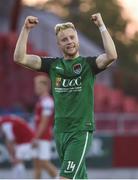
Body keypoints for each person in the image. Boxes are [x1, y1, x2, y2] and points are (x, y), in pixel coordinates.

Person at [14, 13, 117, 179]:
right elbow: (19, 58)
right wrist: (26, 29)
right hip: (60, 132)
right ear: (58, 44)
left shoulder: (88, 65)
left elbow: (111, 56)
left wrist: (101, 26)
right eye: (64, 39)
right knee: (78, 177)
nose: (69, 41)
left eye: (72, 37)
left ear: (77, 40)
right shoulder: (53, 65)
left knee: (65, 177)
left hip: (80, 131)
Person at [32, 74, 58, 179]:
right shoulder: (41, 101)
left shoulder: (47, 101)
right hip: (39, 136)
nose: (36, 89)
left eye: (38, 86)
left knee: (44, 163)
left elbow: (44, 122)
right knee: (37, 164)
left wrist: (36, 138)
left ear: (45, 87)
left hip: (43, 137)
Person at [0, 114, 34, 179]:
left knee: (17, 162)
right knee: (18, 162)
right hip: (26, 141)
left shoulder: (6, 125)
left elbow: (10, 142)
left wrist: (12, 156)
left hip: (27, 142)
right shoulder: (7, 119)